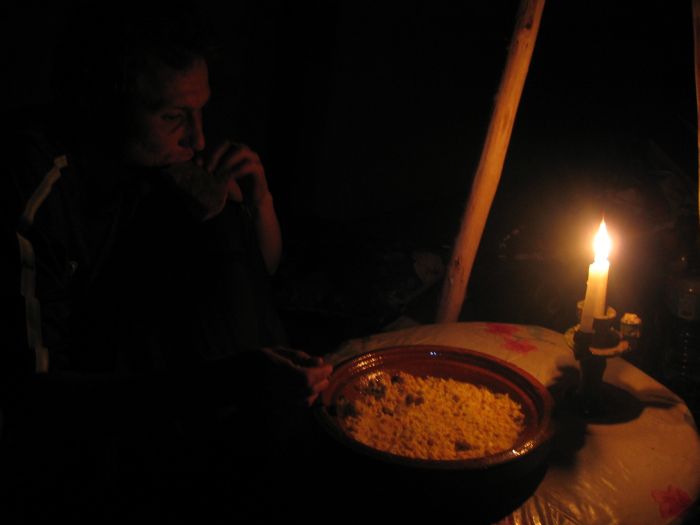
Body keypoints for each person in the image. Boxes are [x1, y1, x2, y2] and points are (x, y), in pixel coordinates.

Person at [0, 7, 332, 522]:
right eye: (173, 116)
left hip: (140, 371)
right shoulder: (32, 189)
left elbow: (255, 274)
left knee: (217, 223)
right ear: (102, 106)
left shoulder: (154, 164)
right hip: (56, 441)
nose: (197, 139)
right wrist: (229, 381)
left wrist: (258, 202)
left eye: (201, 113)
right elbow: (33, 402)